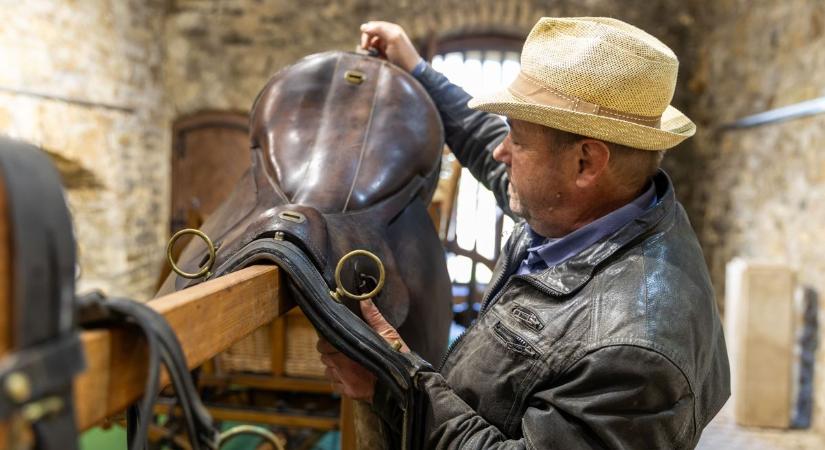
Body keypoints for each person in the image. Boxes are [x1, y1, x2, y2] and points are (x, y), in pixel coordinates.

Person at [317, 17, 730, 449]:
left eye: (517, 136)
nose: (502, 151)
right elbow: (491, 145)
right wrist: (417, 68)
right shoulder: (591, 210)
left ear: (586, 163)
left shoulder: (635, 350)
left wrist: (392, 381)